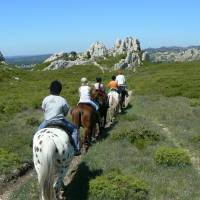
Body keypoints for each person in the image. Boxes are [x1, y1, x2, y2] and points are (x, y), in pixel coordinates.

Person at [38, 80, 80, 156]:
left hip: (47, 121)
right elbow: (66, 111)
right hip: (60, 121)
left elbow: (44, 109)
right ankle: (76, 149)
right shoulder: (62, 100)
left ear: (50, 89)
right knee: (74, 130)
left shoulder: (46, 99)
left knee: (38, 132)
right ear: (60, 90)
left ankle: (35, 146)